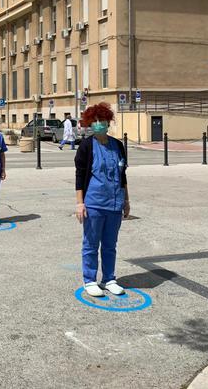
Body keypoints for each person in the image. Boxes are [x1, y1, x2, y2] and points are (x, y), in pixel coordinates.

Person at [74, 102, 130, 297]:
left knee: (110, 244)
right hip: (94, 202)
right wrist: (80, 203)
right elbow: (80, 176)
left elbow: (122, 175)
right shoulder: (86, 146)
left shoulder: (118, 146)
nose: (99, 124)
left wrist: (126, 200)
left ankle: (109, 278)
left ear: (108, 121)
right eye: (95, 121)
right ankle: (89, 280)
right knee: (90, 243)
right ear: (90, 123)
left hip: (114, 202)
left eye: (102, 120)